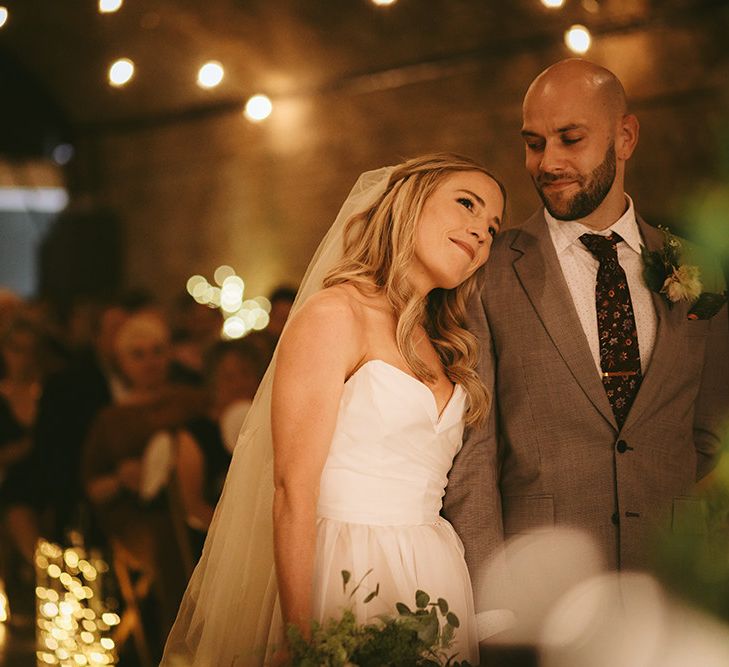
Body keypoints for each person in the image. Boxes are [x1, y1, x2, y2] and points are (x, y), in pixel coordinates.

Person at [161, 152, 506, 665]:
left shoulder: (444, 340)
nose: (481, 232)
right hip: (347, 565)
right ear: (409, 204)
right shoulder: (334, 314)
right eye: (466, 205)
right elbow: (291, 491)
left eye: (493, 228)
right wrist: (301, 635)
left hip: (433, 569)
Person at [444, 58, 729, 597]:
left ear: (625, 137)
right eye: (533, 143)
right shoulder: (489, 271)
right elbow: (473, 456)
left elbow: (709, 429)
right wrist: (491, 605)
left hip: (671, 582)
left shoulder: (698, 268)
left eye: (570, 139)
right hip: (539, 587)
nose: (548, 162)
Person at [82, 311, 205, 646]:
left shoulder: (192, 399)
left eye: (157, 351)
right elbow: (93, 488)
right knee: (167, 540)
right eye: (138, 355)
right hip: (139, 515)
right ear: (122, 362)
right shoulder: (111, 419)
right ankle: (178, 645)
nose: (150, 362)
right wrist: (122, 478)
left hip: (195, 500)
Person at [175, 339, 264, 558]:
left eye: (245, 374)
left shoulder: (269, 423)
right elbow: (192, 505)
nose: (239, 383)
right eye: (228, 377)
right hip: (218, 543)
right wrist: (235, 538)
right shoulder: (196, 434)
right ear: (213, 383)